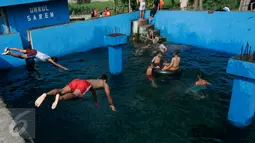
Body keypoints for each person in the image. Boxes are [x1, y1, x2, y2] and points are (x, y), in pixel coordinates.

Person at [34, 74, 116, 111]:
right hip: (84, 84)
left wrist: (95, 101)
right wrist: (112, 105)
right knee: (75, 96)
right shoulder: (104, 83)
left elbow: (92, 90)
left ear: (98, 78)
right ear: (105, 80)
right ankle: (60, 98)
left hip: (77, 80)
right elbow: (108, 95)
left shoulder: (95, 80)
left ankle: (46, 94)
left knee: (61, 90)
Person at [2, 47, 69, 71]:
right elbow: (56, 64)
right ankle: (9, 53)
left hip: (34, 51)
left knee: (20, 50)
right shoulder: (49, 59)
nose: (52, 62)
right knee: (21, 57)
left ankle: (8, 48)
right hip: (34, 54)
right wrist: (64, 68)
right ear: (53, 60)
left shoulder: (48, 56)